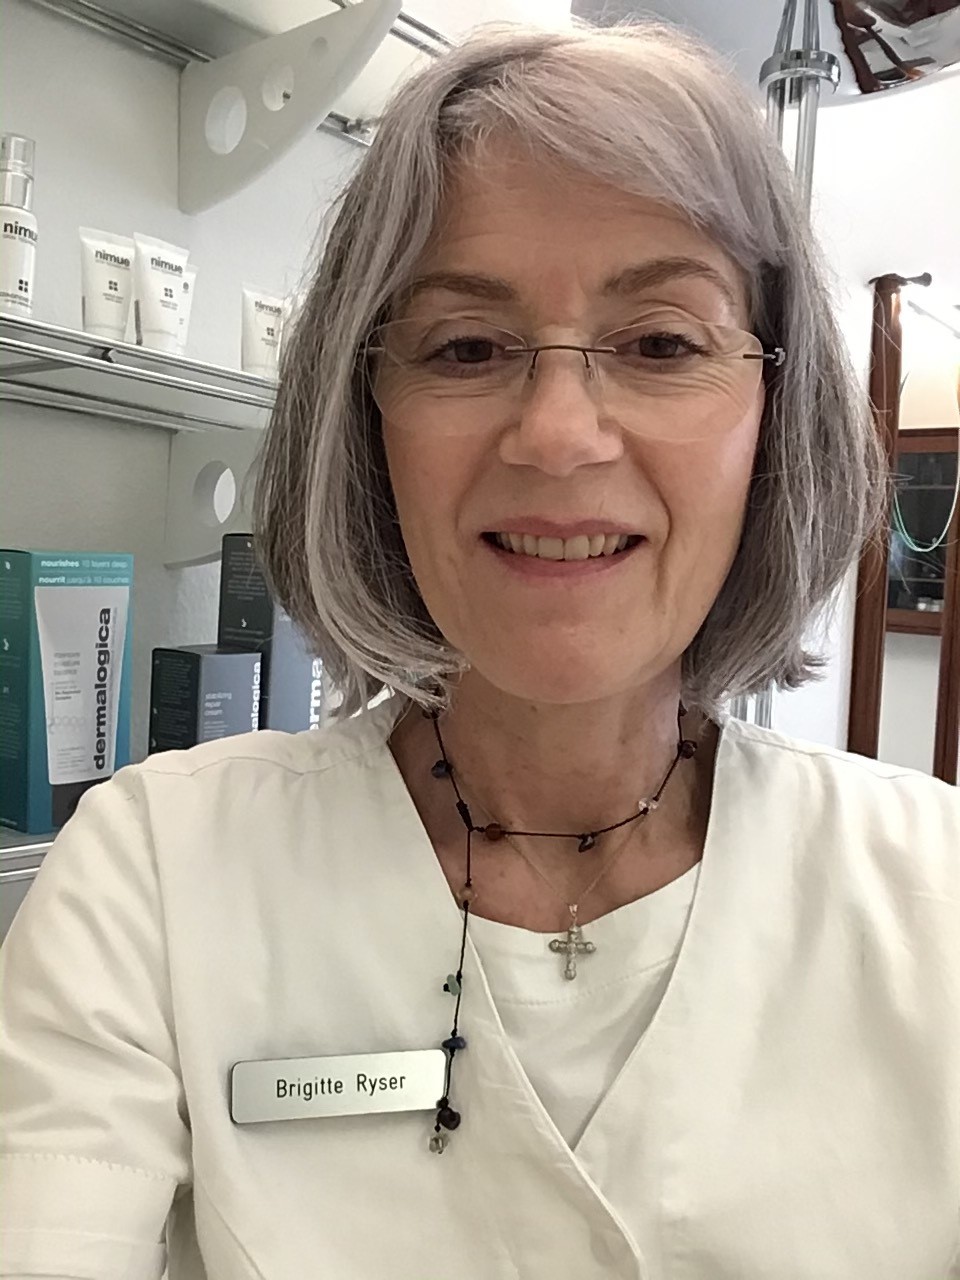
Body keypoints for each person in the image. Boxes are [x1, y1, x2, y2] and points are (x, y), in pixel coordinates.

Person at [1, 20, 958, 1280]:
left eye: (661, 342)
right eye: (465, 346)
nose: (557, 434)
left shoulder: (935, 893)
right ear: (369, 417)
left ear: (775, 418)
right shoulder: (153, 878)